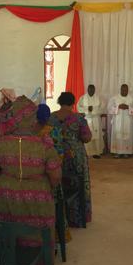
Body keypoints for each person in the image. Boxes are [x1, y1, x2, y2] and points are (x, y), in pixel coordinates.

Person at [0, 97, 61, 265]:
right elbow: (55, 176)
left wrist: (6, 182)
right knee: (37, 239)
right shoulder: (44, 145)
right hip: (37, 201)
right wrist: (42, 186)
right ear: (32, 119)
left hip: (4, 199)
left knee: (9, 239)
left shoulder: (0, 143)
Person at [50, 92, 93, 227]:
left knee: (58, 186)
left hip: (55, 157)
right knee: (77, 185)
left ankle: (58, 218)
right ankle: (77, 218)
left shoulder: (51, 117)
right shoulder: (79, 119)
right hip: (75, 158)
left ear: (59, 102)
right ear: (73, 103)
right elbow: (87, 137)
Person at [108, 84, 133, 158]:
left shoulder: (132, 98)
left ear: (128, 90)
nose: (124, 91)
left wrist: (128, 107)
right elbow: (109, 108)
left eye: (126, 90)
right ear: (120, 90)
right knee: (118, 135)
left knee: (127, 135)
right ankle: (117, 152)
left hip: (128, 120)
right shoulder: (114, 98)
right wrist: (118, 107)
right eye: (123, 90)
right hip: (117, 120)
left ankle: (126, 152)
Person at [78, 85, 104, 158]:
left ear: (94, 90)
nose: (91, 91)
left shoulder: (98, 98)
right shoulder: (83, 98)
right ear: (87, 90)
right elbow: (79, 107)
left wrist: (93, 109)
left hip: (96, 119)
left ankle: (97, 152)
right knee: (88, 135)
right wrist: (87, 109)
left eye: (92, 90)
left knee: (96, 136)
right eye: (90, 90)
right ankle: (88, 153)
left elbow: (102, 108)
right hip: (87, 119)